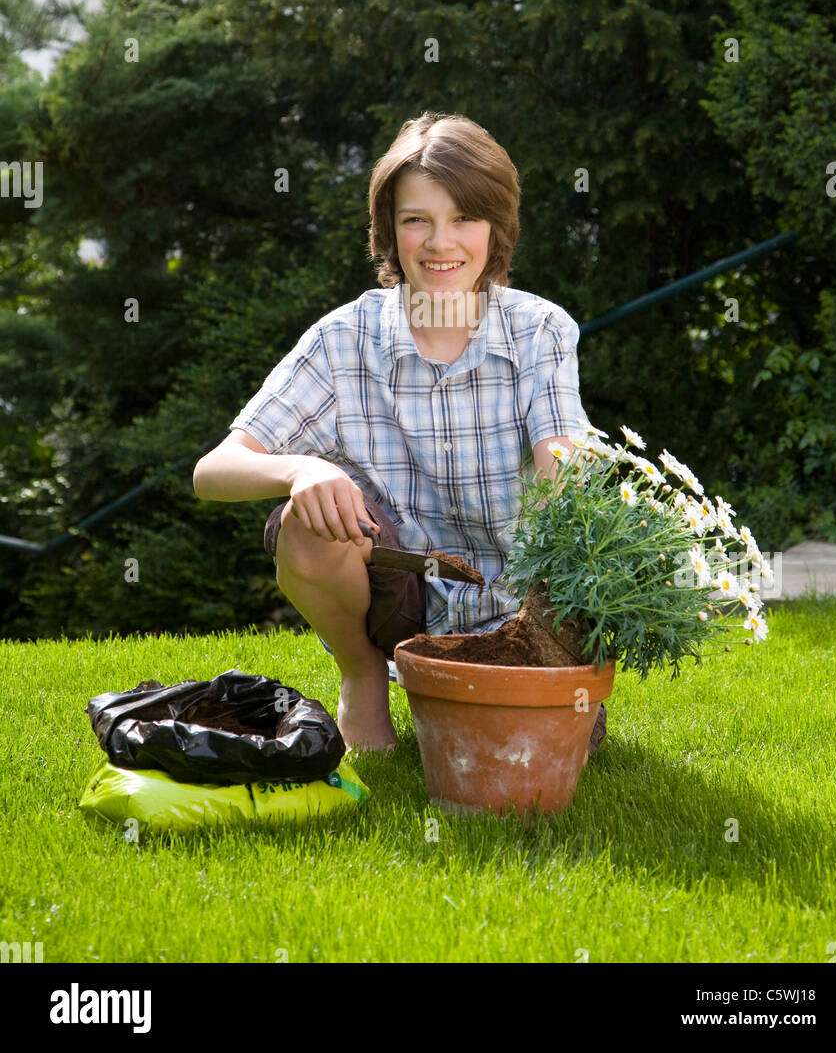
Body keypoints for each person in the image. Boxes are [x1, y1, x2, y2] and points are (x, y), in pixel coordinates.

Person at [193, 111, 605, 756]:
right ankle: (363, 676)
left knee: (523, 760)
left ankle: (504, 677)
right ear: (390, 230)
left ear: (496, 228)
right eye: (417, 219)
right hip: (398, 598)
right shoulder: (341, 340)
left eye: (464, 218)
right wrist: (302, 470)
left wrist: (574, 518)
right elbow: (212, 471)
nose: (441, 242)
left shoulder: (541, 330)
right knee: (305, 519)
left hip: (525, 613)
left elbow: (564, 453)